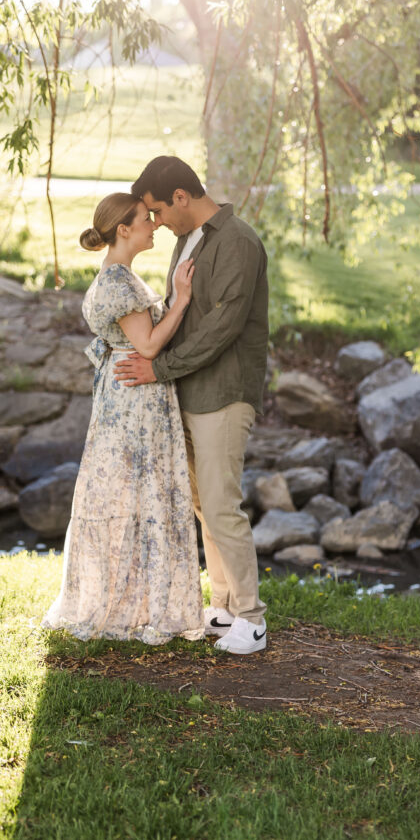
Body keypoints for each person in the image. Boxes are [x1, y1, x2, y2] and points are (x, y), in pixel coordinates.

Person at [114, 156, 269, 655]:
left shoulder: (238, 241)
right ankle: (223, 607)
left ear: (182, 197)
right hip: (191, 389)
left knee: (223, 504)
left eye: (158, 211)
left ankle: (252, 618)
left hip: (225, 392)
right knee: (204, 506)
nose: (156, 223)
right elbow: (183, 312)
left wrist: (158, 368)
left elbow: (221, 329)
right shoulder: (189, 240)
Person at [42, 192, 204, 645]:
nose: (154, 224)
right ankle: (126, 603)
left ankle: (138, 601)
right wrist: (183, 298)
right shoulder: (118, 282)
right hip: (136, 402)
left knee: (131, 498)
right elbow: (149, 346)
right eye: (145, 219)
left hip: (125, 398)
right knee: (140, 496)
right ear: (124, 230)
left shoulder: (118, 277)